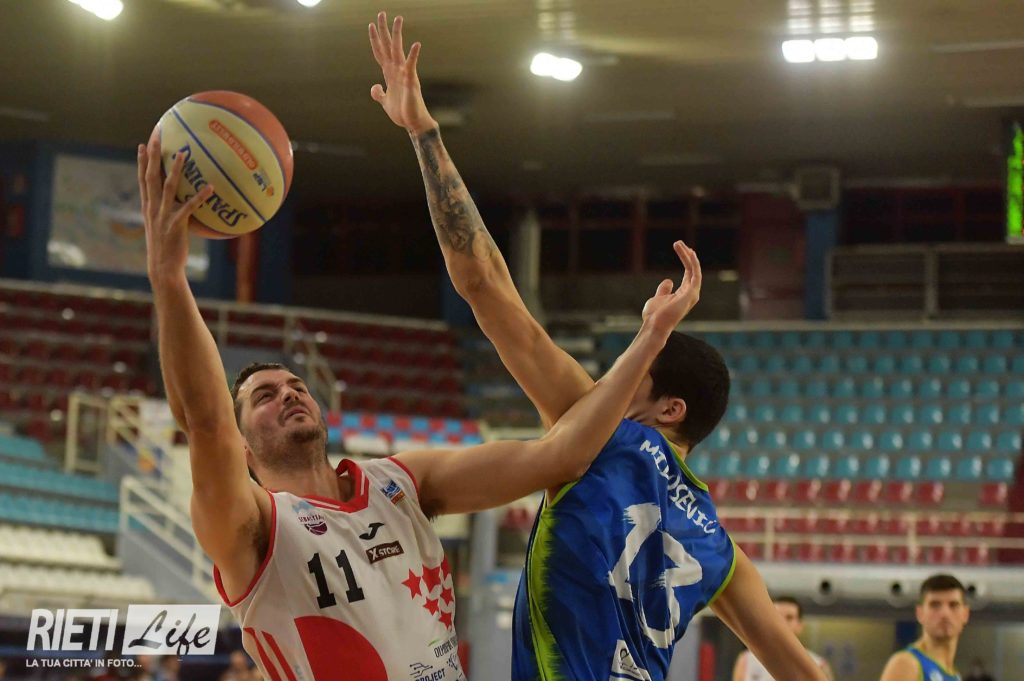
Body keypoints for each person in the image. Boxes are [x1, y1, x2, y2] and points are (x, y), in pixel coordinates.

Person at [138, 130, 702, 680]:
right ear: (242, 446)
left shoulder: (401, 483)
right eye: (265, 396)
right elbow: (206, 422)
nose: (289, 393)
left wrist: (650, 337)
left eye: (297, 386)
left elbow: (564, 456)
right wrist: (169, 278)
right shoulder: (250, 525)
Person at [369, 11, 830, 681]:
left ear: (668, 407)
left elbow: (482, 284)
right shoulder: (725, 555)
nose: (616, 377)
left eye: (635, 370)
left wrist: (424, 135)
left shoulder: (599, 433)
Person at [879, 574, 970, 681]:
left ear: (965, 614)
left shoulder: (955, 676)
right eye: (935, 605)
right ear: (920, 613)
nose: (945, 613)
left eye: (953, 605)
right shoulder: (906, 664)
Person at [732, 596, 834, 681]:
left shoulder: (819, 665)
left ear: (800, 625)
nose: (782, 623)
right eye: (776, 617)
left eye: (789, 618)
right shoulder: (746, 660)